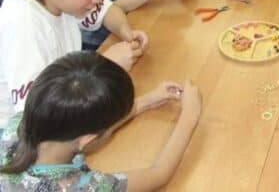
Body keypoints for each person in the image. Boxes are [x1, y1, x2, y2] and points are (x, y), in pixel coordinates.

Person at [0, 0, 149, 127]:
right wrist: (103, 65)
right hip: (21, 131)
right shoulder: (23, 21)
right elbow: (37, 110)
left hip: (64, 107)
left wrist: (126, 33)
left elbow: (108, 10)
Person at [0, 51, 202, 191]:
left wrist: (145, 101)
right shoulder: (81, 186)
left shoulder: (18, 123)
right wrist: (190, 115)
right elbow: (158, 175)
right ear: (87, 139)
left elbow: (81, 127)